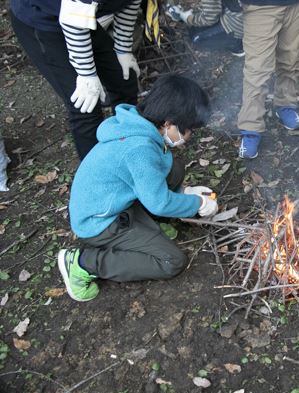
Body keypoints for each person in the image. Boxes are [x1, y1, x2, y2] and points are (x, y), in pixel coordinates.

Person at [57, 75, 218, 302]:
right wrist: (198, 203)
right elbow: (159, 202)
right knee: (172, 261)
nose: (189, 135)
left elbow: (153, 179)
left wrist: (184, 193)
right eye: (189, 129)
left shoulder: (138, 123)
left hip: (114, 200)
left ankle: (152, 223)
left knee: (174, 170)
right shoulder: (139, 149)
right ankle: (83, 263)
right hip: (100, 222)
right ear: (169, 123)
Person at [10, 0, 141, 160]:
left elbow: (129, 2)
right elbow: (74, 22)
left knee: (123, 80)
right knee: (86, 107)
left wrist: (123, 49)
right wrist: (87, 75)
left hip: (83, 16)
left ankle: (129, 146)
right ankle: (98, 175)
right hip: (44, 21)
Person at [237, 0, 299, 159]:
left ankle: (285, 104)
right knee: (257, 70)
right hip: (260, 6)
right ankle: (251, 127)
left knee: (290, 61)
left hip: (296, 4)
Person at [165, 0, 245, 56]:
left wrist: (186, 17)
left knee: (196, 38)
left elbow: (210, 19)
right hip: (250, 12)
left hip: (240, 25)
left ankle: (237, 45)